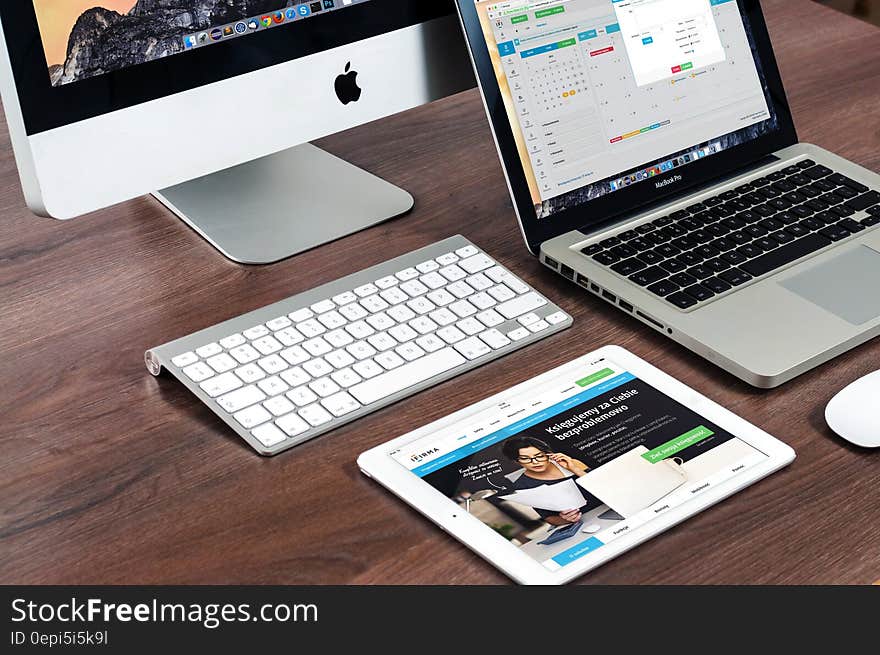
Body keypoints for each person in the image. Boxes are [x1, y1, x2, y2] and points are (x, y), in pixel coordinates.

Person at [501, 436, 596, 526]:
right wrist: (566, 519)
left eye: (540, 456)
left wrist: (574, 469)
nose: (535, 462)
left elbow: (603, 484)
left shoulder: (571, 463)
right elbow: (548, 518)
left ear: (548, 454)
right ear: (516, 461)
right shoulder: (522, 485)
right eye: (525, 458)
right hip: (583, 521)